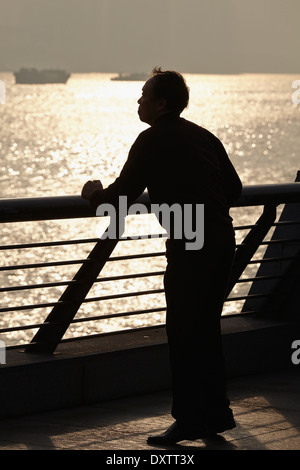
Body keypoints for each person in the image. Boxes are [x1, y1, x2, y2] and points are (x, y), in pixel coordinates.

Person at [81, 67, 242, 445]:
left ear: (161, 102)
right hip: (222, 241)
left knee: (184, 333)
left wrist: (94, 195)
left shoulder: (151, 140)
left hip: (191, 246)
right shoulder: (205, 136)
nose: (138, 101)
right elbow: (233, 189)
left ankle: (188, 419)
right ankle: (217, 413)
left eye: (143, 95)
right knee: (207, 329)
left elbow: (122, 196)